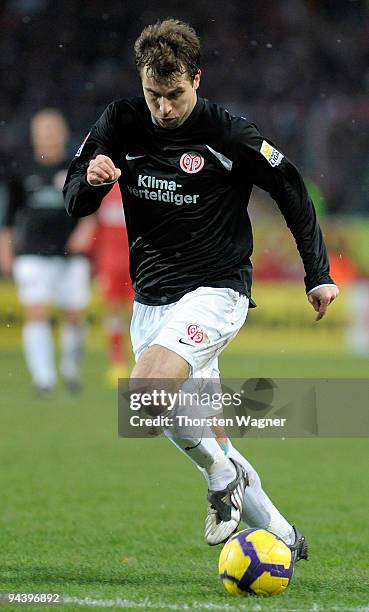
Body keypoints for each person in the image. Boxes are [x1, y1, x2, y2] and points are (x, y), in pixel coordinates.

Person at [63, 19, 339, 557]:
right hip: (153, 302)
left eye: (174, 96)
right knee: (203, 431)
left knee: (143, 393)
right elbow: (76, 199)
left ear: (197, 78)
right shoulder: (120, 122)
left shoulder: (229, 132)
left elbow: (291, 187)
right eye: (153, 96)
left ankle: (219, 480)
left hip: (217, 289)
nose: (162, 109)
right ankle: (284, 537)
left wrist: (318, 272)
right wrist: (92, 181)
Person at [0, 109, 94, 395]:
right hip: (32, 253)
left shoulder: (75, 168)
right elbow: (8, 219)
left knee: (75, 316)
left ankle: (70, 368)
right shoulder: (21, 170)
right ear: (34, 135)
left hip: (70, 255)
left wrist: (85, 230)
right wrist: (5, 251)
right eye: (44, 129)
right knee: (36, 312)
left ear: (64, 134)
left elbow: (89, 208)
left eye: (54, 128)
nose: (49, 134)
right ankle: (44, 379)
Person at [93, 183, 134, 385]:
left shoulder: (137, 184)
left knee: (140, 312)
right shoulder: (103, 187)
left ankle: (142, 359)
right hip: (109, 261)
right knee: (114, 312)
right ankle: (117, 361)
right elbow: (93, 225)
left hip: (137, 261)